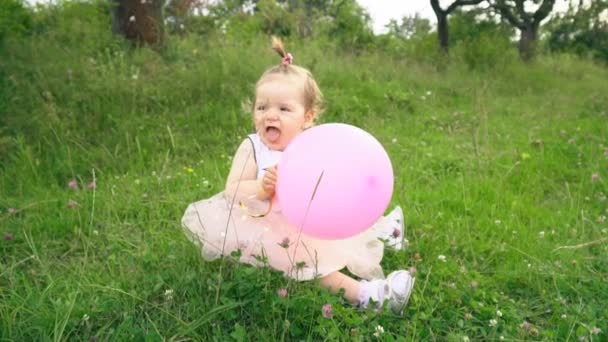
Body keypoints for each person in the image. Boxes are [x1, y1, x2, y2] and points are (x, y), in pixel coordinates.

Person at [181, 37, 414, 314]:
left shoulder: (311, 143)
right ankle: (368, 296)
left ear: (307, 117)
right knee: (309, 262)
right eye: (262, 107)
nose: (270, 115)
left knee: (341, 223)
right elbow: (232, 188)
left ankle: (385, 228)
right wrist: (260, 187)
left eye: (283, 109)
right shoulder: (253, 146)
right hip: (269, 225)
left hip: (312, 218)